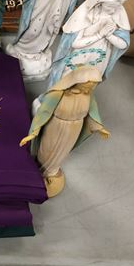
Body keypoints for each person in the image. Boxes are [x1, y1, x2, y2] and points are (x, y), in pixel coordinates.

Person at [20, 66, 109, 197]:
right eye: (87, 86)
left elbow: (93, 113)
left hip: (73, 130)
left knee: (61, 152)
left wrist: (100, 128)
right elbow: (44, 112)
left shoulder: (88, 97)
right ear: (77, 81)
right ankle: (38, 169)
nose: (88, 90)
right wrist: (34, 132)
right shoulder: (58, 94)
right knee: (46, 150)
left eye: (92, 87)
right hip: (55, 127)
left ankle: (51, 172)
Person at [47, 0, 130, 89]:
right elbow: (74, 43)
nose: (113, 11)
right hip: (80, 56)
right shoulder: (86, 14)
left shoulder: (118, 16)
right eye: (109, 7)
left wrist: (109, 36)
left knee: (86, 86)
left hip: (99, 59)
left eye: (117, 7)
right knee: (67, 80)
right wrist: (99, 35)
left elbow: (123, 44)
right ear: (99, 2)